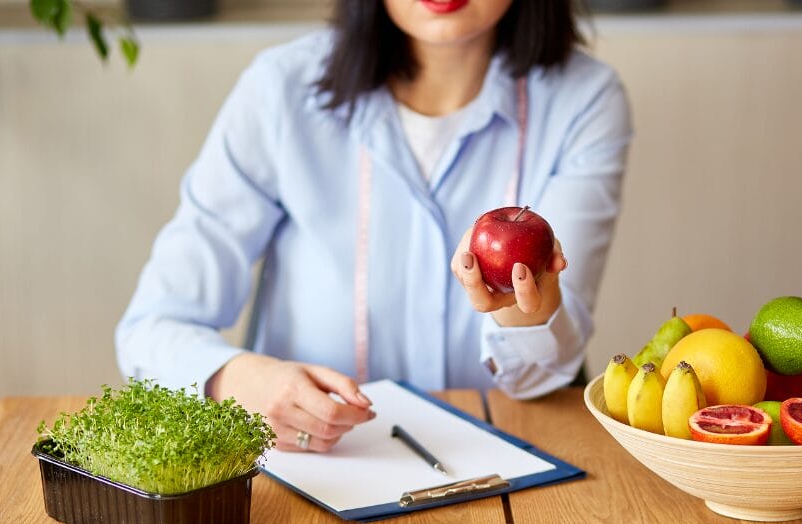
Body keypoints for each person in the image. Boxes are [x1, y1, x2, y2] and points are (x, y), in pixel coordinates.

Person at [115, 0, 632, 453]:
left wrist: (526, 310)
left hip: (506, 485)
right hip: (320, 478)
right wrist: (236, 380)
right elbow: (151, 330)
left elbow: (548, 372)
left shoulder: (584, 100)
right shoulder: (280, 90)